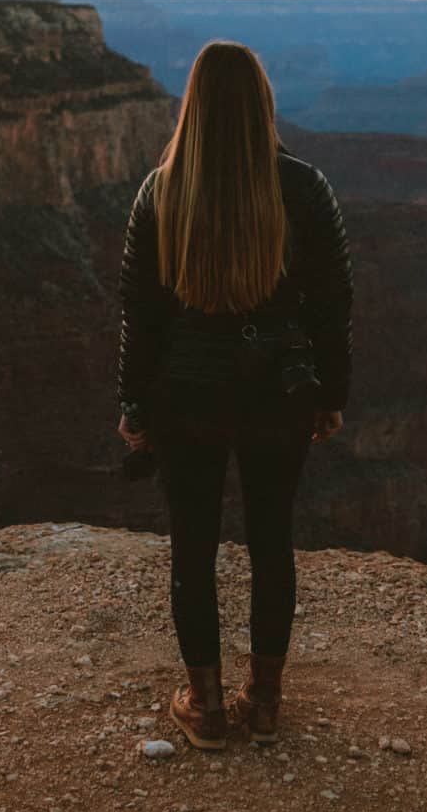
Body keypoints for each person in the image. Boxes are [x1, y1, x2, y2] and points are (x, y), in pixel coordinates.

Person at [114, 39, 353, 750]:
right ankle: (267, 698)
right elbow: (333, 304)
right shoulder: (305, 188)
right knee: (271, 541)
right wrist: (330, 393)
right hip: (275, 395)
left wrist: (133, 409)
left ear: (193, 105)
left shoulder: (160, 191)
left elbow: (142, 316)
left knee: (193, 548)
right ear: (262, 103)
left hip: (184, 399)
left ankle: (207, 706)